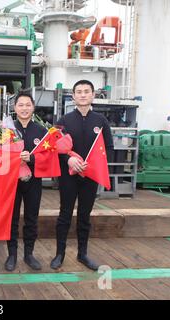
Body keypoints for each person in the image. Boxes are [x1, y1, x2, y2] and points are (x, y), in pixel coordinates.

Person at [51, 80, 113, 271]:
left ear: (93, 95)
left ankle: (82, 254)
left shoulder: (100, 121)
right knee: (65, 214)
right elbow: (53, 149)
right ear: (73, 96)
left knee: (84, 215)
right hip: (68, 176)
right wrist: (68, 161)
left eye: (87, 91)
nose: (83, 95)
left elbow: (108, 149)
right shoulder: (64, 121)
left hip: (90, 176)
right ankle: (59, 254)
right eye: (79, 91)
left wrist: (94, 165)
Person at [4, 92, 47, 272]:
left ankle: (29, 254)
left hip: (34, 181)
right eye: (20, 105)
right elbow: (0, 155)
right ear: (15, 108)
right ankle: (11, 254)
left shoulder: (41, 131)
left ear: (33, 107)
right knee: (11, 219)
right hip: (11, 182)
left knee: (31, 217)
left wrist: (31, 158)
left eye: (27, 104)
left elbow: (48, 156)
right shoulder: (6, 129)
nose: (24, 108)